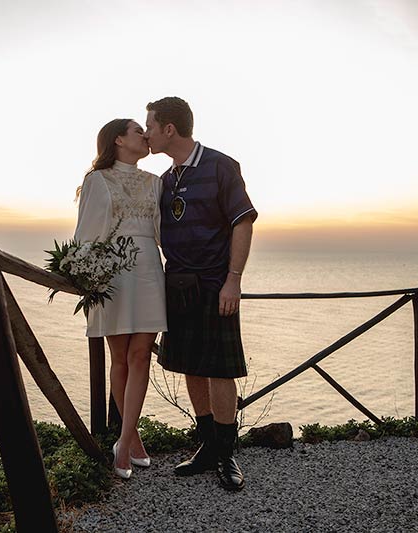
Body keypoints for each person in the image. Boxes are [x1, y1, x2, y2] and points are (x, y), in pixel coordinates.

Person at [144, 97, 256, 491]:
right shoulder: (164, 179)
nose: (147, 133)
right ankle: (208, 445)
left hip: (214, 283)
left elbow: (243, 223)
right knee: (192, 364)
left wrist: (234, 279)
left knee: (220, 369)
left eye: (151, 126)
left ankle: (227, 454)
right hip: (177, 284)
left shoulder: (221, 166)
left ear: (169, 129)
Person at [74, 118, 167, 479]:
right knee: (121, 360)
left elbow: (162, 233)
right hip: (112, 272)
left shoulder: (155, 182)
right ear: (117, 140)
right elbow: (85, 233)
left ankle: (124, 444)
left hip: (148, 271)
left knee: (141, 354)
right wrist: (85, 275)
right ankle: (131, 440)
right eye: (137, 131)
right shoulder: (97, 180)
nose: (145, 136)